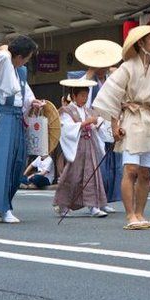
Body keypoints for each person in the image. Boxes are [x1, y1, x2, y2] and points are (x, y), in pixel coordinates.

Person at [94, 26, 150, 231]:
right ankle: (130, 215)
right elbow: (112, 95)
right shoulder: (127, 67)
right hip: (131, 119)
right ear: (141, 42)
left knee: (147, 173)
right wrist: (115, 125)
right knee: (130, 169)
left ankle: (140, 213)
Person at [0, 35, 45, 224]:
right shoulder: (1, 62)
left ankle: (4, 202)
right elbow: (4, 54)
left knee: (17, 163)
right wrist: (9, 48)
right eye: (28, 56)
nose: (28, 61)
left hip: (15, 117)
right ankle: (1, 206)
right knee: (0, 163)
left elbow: (25, 93)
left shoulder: (20, 70)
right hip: (0, 117)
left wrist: (33, 102)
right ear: (20, 56)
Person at [72, 40, 125, 212]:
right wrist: (89, 75)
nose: (103, 68)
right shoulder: (86, 80)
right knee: (95, 168)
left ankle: (104, 200)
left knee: (112, 166)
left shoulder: (110, 80)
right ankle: (91, 202)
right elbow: (83, 104)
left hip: (110, 124)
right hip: (93, 127)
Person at [53, 79, 108, 218]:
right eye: (82, 95)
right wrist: (84, 123)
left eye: (86, 96)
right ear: (74, 96)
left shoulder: (88, 111)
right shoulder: (66, 110)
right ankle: (63, 204)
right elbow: (66, 128)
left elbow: (96, 124)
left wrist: (97, 124)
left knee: (91, 174)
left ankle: (93, 206)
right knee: (73, 174)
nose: (84, 99)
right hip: (76, 145)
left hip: (88, 145)